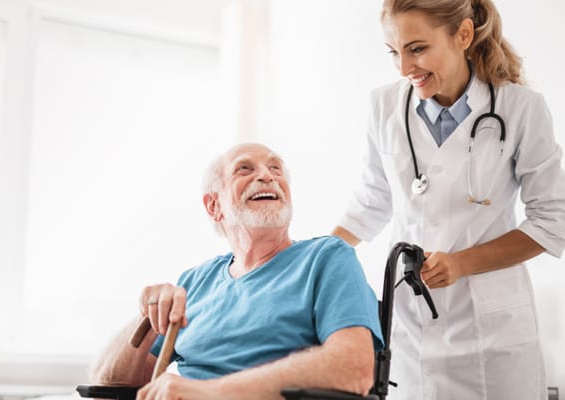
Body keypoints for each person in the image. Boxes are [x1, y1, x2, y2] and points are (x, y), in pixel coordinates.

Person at [332, 1, 565, 399]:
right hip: (409, 332)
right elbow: (373, 198)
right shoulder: (385, 105)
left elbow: (552, 221)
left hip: (493, 339)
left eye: (417, 48)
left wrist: (461, 263)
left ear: (463, 35)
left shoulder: (519, 108)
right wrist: (314, 259)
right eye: (394, 51)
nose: (404, 68)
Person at [89, 143, 384, 400]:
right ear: (214, 205)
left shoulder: (326, 258)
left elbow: (354, 368)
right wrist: (148, 316)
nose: (267, 176)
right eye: (244, 169)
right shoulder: (193, 283)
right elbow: (108, 384)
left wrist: (211, 393)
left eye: (275, 168)